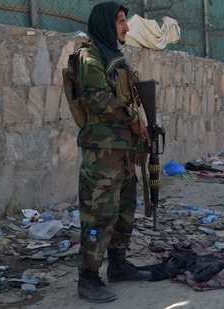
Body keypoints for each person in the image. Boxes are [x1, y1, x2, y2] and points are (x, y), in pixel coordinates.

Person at [74, 1, 152, 303]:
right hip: (101, 151)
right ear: (107, 24)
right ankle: (88, 278)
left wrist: (137, 142)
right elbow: (98, 101)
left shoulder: (115, 58)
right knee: (99, 214)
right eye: (121, 21)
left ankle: (118, 265)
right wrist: (134, 121)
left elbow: (128, 101)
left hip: (121, 150)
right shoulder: (89, 57)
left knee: (124, 209)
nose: (127, 27)